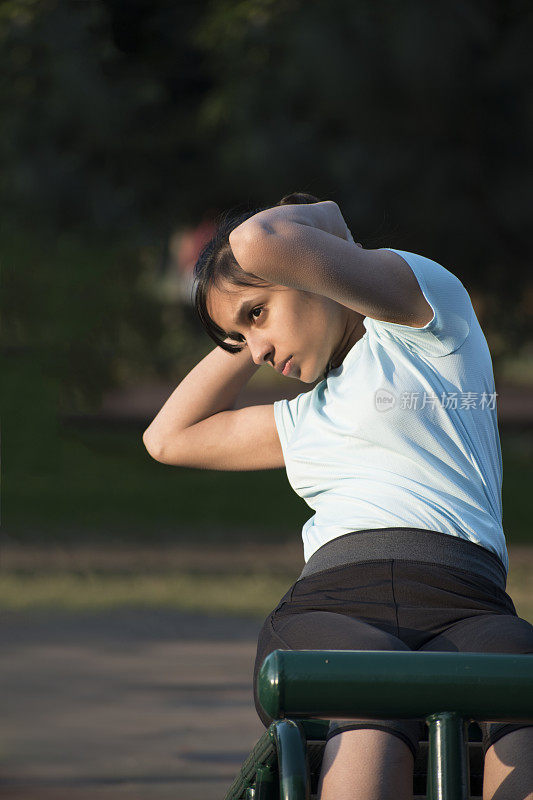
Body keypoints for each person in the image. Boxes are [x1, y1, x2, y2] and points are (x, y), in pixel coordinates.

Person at [143, 192, 533, 800]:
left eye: (257, 313)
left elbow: (254, 243)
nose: (261, 350)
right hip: (342, 606)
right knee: (374, 714)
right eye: (241, 336)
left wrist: (324, 227)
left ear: (307, 271)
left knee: (524, 715)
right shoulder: (305, 417)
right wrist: (244, 330)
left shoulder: (426, 321)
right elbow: (167, 438)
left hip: (471, 608)